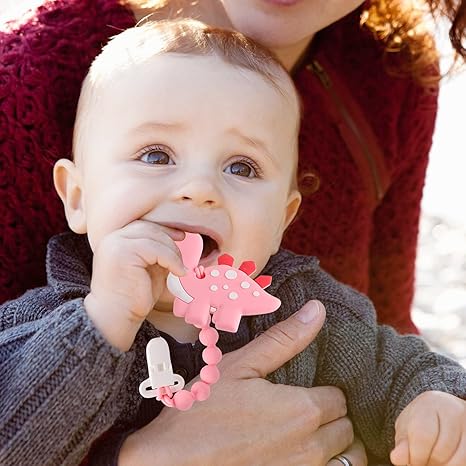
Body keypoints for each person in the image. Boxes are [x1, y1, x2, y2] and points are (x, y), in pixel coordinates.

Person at [1, 20, 465, 466]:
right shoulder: (34, 328)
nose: (200, 188)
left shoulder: (308, 311)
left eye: (241, 167)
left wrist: (433, 405)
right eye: (156, 155)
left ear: (283, 219)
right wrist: (99, 324)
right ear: (78, 198)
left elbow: (400, 369)